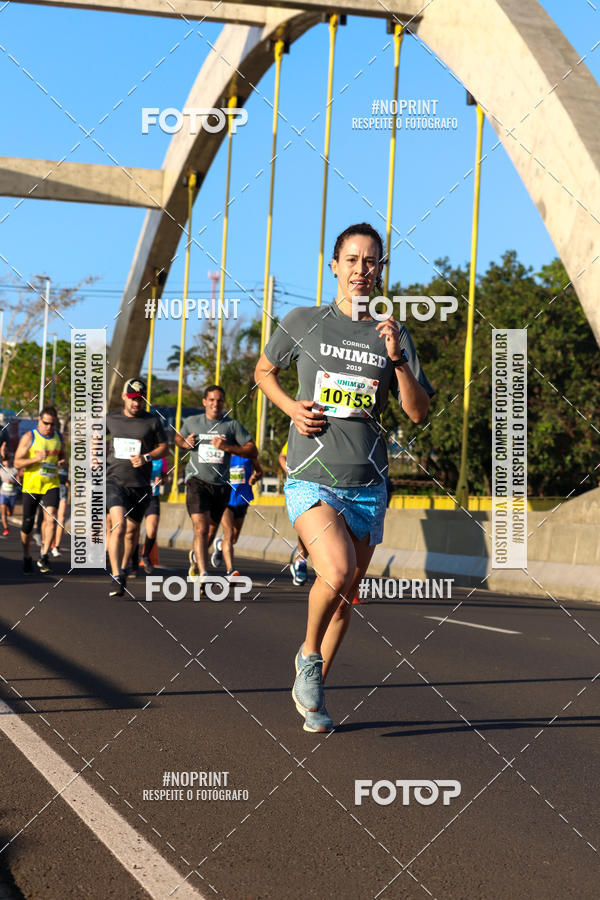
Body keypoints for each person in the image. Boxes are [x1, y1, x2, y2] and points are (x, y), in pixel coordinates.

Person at [254, 222, 433, 733]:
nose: (361, 269)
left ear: (380, 271)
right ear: (333, 266)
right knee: (334, 572)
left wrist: (397, 358)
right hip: (313, 474)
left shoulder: (392, 335)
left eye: (371, 261)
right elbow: (264, 372)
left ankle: (313, 694)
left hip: (369, 483)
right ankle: (307, 658)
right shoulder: (304, 320)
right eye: (351, 259)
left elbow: (417, 412)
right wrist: (291, 408)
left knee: (346, 592)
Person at [174, 385, 257, 589]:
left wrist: (227, 447)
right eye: (211, 399)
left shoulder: (231, 426)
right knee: (200, 528)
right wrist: (184, 443)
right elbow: (177, 438)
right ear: (204, 402)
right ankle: (203, 574)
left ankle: (196, 558)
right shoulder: (193, 422)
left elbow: (252, 449)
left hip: (221, 485)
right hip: (196, 481)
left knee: (210, 532)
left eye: (219, 400)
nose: (215, 404)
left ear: (223, 403)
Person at [106, 377, 168, 596]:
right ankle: (115, 575)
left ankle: (123, 569)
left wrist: (147, 457)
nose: (136, 403)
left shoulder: (152, 421)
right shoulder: (111, 419)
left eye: (140, 400)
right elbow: (94, 438)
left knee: (132, 533)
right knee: (119, 526)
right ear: (124, 396)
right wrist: (94, 456)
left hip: (140, 485)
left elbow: (164, 448)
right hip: (114, 482)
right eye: (132, 399)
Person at [14, 405, 65, 573]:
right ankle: (27, 555)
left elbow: (62, 454)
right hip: (32, 485)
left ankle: (44, 555)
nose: (49, 427)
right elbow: (17, 462)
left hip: (51, 483)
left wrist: (63, 461)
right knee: (27, 524)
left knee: (51, 518)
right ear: (39, 421)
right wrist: (35, 458)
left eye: (53, 424)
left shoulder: (58, 436)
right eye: (46, 423)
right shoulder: (30, 437)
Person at [210, 453, 263, 576]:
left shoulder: (248, 454)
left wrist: (255, 477)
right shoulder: (221, 454)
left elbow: (260, 472)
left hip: (242, 499)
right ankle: (230, 571)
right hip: (225, 500)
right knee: (228, 533)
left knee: (234, 538)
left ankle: (219, 545)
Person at [278, 441, 309, 586]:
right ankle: (301, 561)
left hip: (332, 486)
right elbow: (282, 456)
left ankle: (301, 561)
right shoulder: (303, 429)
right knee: (307, 523)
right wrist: (291, 472)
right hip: (304, 486)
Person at [50, 461, 69, 556]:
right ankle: (48, 542)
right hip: (51, 488)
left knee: (62, 518)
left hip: (62, 490)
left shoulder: (67, 460)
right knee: (51, 519)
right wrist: (56, 465)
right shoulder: (51, 456)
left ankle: (56, 546)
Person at [0, 449, 19, 536]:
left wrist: (12, 482)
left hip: (12, 494)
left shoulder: (14, 470)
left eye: (7, 460)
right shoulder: (1, 471)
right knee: (3, 511)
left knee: (9, 513)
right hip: (3, 494)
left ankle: (9, 509)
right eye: (4, 461)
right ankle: (6, 528)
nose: (6, 462)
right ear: (3, 462)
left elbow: (19, 482)